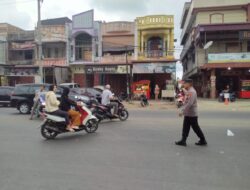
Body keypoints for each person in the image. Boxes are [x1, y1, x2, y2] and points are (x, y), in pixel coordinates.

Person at [175, 79, 207, 147]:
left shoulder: (192, 91)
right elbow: (187, 97)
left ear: (189, 84)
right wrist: (183, 90)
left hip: (192, 113)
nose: (183, 85)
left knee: (195, 128)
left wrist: (182, 111)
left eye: (184, 83)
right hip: (189, 113)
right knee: (186, 127)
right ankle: (183, 140)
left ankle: (203, 140)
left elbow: (189, 103)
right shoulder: (190, 91)